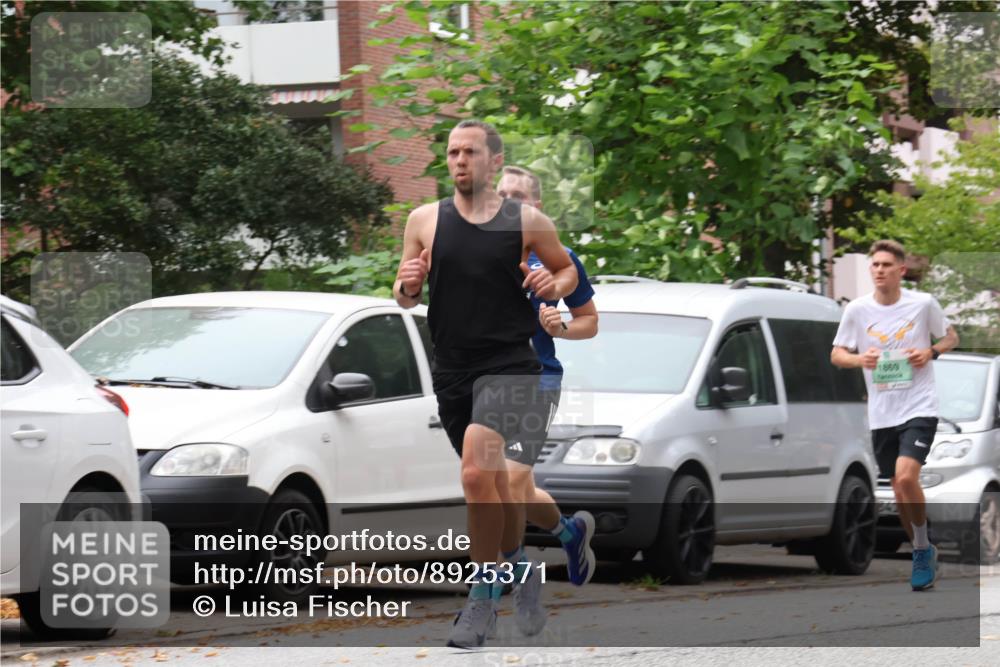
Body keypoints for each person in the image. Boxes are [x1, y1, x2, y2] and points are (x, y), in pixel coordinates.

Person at [393, 120, 584, 648]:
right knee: (493, 487)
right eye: (452, 152)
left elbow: (566, 272)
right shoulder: (424, 219)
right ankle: (518, 570)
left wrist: (554, 283)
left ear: (493, 162)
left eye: (470, 152)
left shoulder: (526, 221)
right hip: (452, 368)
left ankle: (480, 601)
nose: (459, 160)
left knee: (478, 472)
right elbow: (405, 290)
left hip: (511, 365)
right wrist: (407, 286)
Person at [493, 165, 598, 635]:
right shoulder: (475, 253)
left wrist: (562, 328)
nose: (510, 202)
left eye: (519, 196)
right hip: (484, 382)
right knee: (514, 488)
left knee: (511, 482)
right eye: (502, 195)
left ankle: (514, 577)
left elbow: (590, 320)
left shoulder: (558, 258)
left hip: (537, 380)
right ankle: (569, 532)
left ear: (536, 206)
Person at [831, 239, 959, 591]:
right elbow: (838, 354)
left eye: (887, 265)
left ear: (901, 270)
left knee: (905, 478)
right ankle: (922, 545)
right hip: (881, 413)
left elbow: (951, 337)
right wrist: (861, 360)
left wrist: (930, 351)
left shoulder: (922, 304)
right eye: (875, 265)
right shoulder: (857, 310)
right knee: (900, 491)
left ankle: (919, 552)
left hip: (919, 405)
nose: (879, 270)